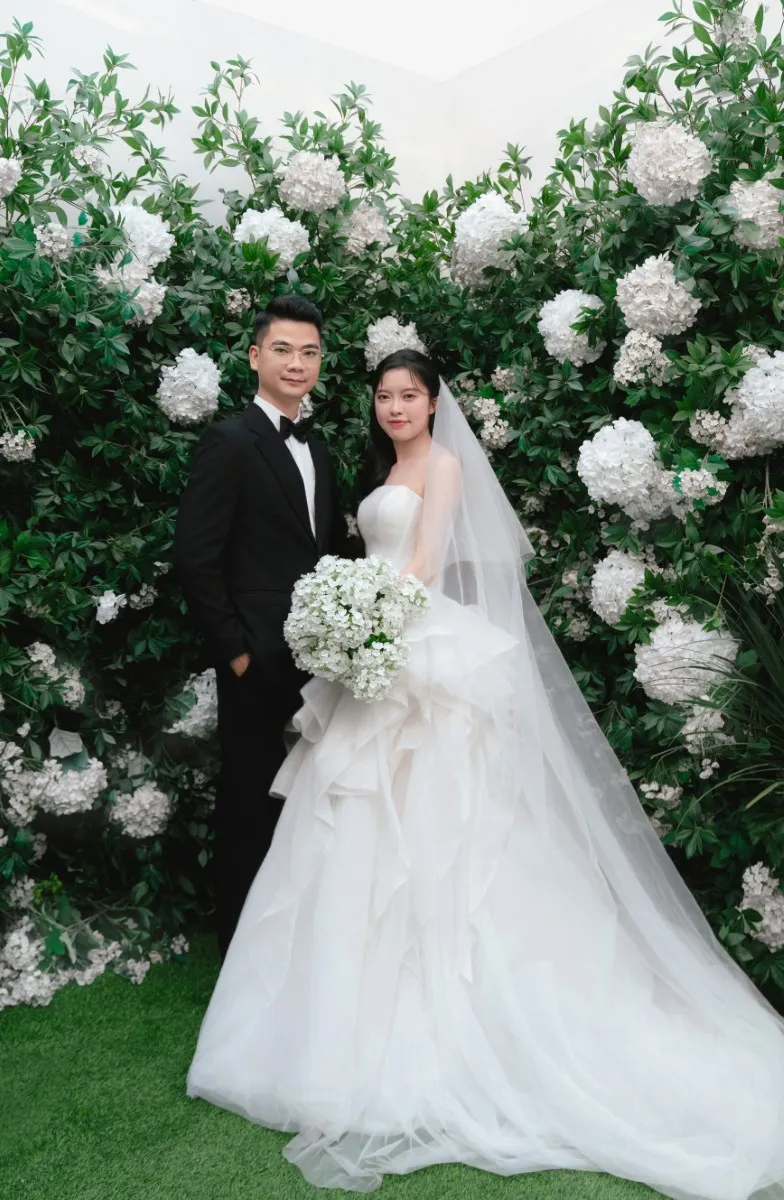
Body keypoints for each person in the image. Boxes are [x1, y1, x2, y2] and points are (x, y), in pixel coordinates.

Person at [186, 349, 784, 1200]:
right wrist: (346, 619)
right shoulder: (380, 469)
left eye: (410, 395)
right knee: (349, 822)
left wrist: (361, 617)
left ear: (434, 403)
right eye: (385, 396)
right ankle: (332, 1016)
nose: (396, 407)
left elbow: (425, 564)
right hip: (372, 650)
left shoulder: (445, 465)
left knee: (439, 828)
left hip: (411, 645)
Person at [173, 295, 357, 960]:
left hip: (318, 663)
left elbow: (326, 551)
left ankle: (298, 949)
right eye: (283, 349)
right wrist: (237, 654)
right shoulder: (229, 441)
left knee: (308, 801)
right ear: (255, 357)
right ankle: (240, 956)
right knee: (250, 802)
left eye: (309, 352)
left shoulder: (320, 449)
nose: (297, 363)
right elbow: (195, 557)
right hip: (256, 660)